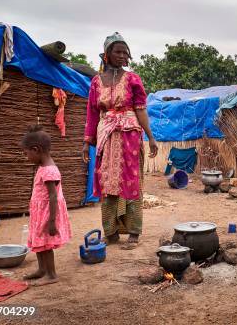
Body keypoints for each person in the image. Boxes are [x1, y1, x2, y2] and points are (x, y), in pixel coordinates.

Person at [82, 32, 158, 249]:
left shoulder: (133, 79)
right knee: (107, 183)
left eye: (126, 52)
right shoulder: (96, 82)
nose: (123, 55)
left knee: (131, 181)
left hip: (130, 134)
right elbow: (92, 113)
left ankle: (134, 231)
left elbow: (141, 110)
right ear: (107, 54)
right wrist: (87, 141)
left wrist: (150, 137)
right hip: (106, 135)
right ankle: (111, 231)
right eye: (118, 51)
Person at [21, 125, 71, 286]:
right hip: (40, 211)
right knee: (39, 240)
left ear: (36, 149)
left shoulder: (50, 170)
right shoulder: (43, 167)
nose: (26, 156)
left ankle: (51, 274)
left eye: (26, 153)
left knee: (46, 243)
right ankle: (42, 270)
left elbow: (53, 196)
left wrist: (51, 221)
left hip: (48, 212)